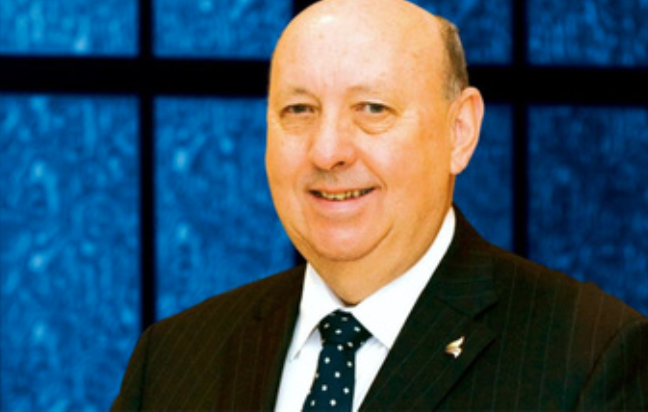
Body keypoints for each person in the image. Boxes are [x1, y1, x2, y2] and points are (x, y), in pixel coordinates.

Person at [112, 0, 648, 410]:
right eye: (299, 110)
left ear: (459, 132)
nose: (328, 151)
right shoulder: (172, 359)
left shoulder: (588, 356)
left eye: (372, 109)